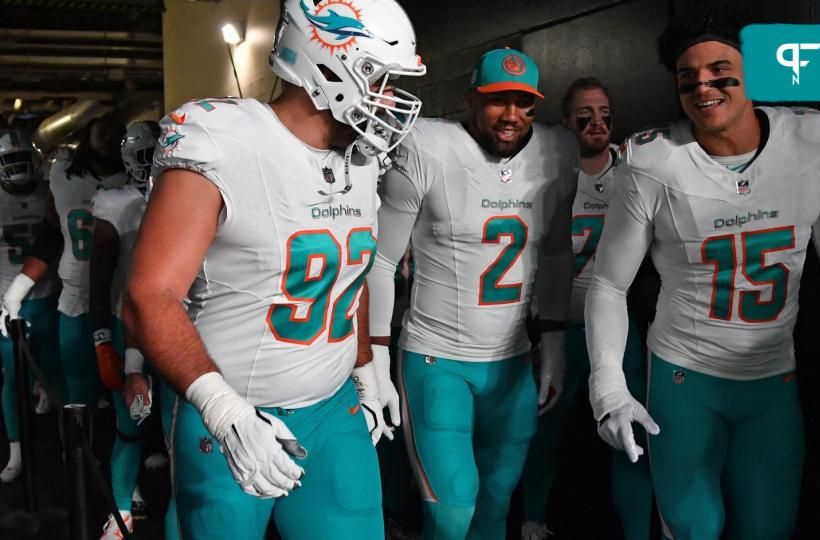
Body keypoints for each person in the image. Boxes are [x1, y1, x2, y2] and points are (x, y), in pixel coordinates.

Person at [123, 1, 425, 538]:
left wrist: (363, 368)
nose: (391, 98)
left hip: (333, 410)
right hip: (234, 416)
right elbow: (149, 295)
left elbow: (347, 278)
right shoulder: (223, 141)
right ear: (327, 67)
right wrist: (225, 412)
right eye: (380, 79)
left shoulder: (361, 156)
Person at [585, 9, 820, 540]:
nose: (703, 86)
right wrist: (609, 384)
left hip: (773, 382)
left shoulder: (813, 140)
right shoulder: (652, 161)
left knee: (768, 529)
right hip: (683, 380)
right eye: (687, 78)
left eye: (720, 70)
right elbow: (608, 284)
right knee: (695, 530)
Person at [368, 48, 578, 540]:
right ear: (470, 99)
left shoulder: (556, 150)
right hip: (437, 357)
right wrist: (374, 360)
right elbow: (378, 262)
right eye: (496, 101)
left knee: (496, 501)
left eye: (524, 103)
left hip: (512, 359)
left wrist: (553, 343)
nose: (511, 116)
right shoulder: (427, 146)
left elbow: (553, 254)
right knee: (451, 507)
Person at [519, 77, 652, 540]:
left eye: (604, 113)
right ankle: (533, 517)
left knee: (630, 434)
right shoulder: (545, 171)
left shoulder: (632, 170)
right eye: (585, 114)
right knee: (546, 431)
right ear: (564, 121)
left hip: (615, 330)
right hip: (557, 327)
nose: (597, 122)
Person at [2, 115, 127, 409]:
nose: (108, 138)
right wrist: (17, 290)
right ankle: (81, 451)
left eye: (115, 133)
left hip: (122, 300)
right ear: (87, 137)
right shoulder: (64, 177)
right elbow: (49, 238)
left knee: (127, 388)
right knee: (78, 390)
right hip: (76, 300)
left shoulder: (133, 181)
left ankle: (132, 446)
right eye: (102, 131)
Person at [89, 120, 165, 539]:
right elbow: (99, 276)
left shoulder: (186, 191)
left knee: (179, 421)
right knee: (128, 423)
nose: (153, 164)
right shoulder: (115, 201)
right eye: (145, 155)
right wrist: (101, 336)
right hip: (130, 320)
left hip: (183, 322)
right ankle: (120, 512)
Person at [0, 128, 62, 482]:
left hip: (48, 295)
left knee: (56, 371)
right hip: (9, 302)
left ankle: (69, 444)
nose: (19, 168)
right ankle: (16, 450)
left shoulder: (50, 196)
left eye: (24, 160)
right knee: (13, 378)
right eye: (12, 161)